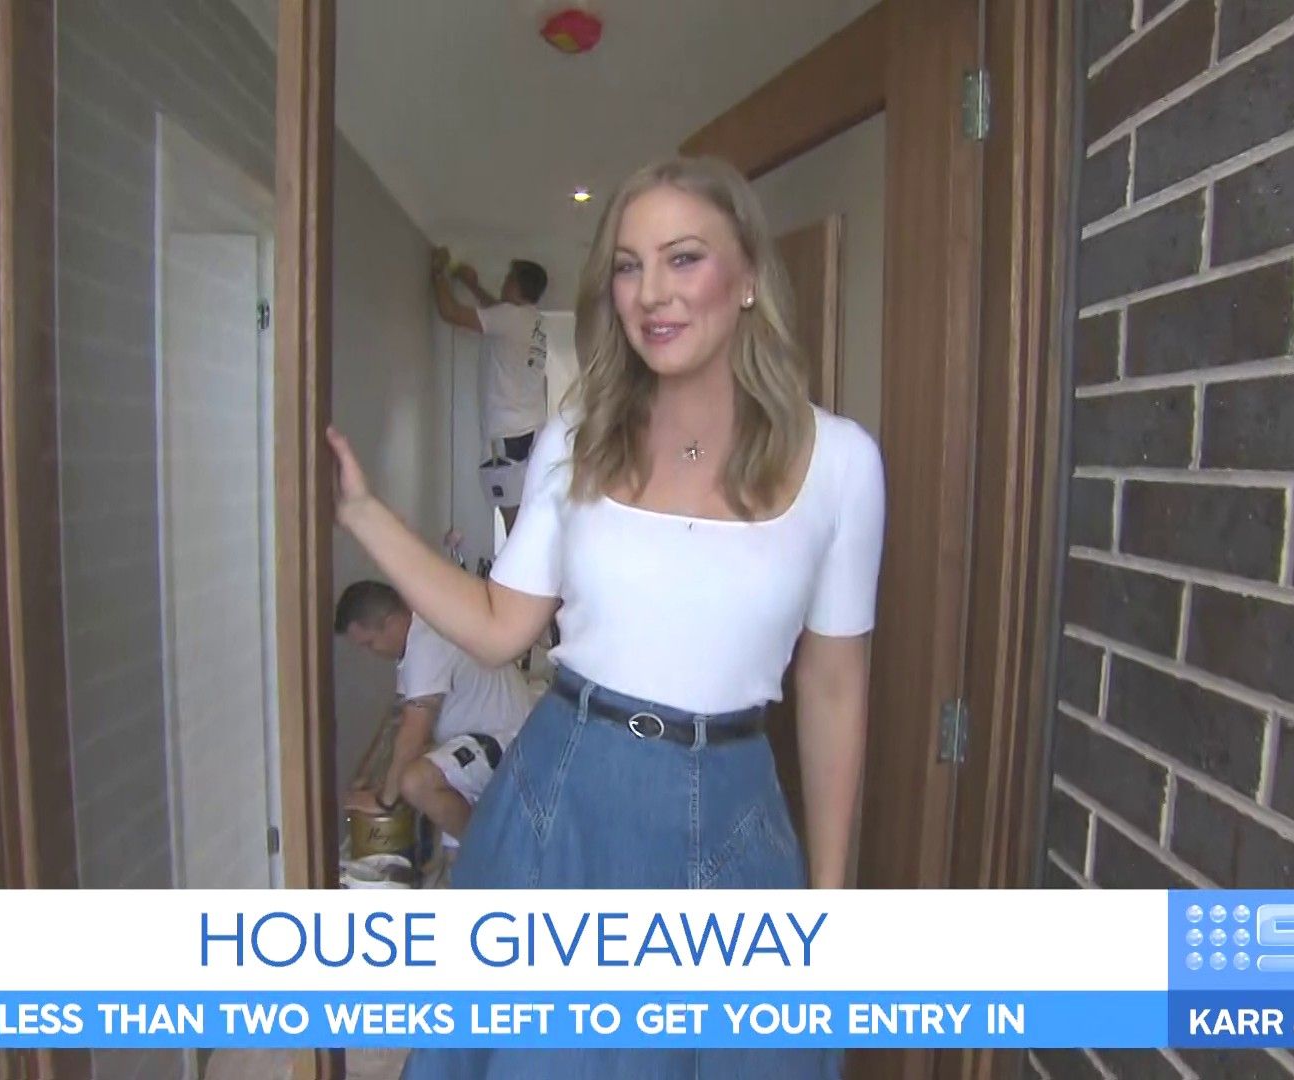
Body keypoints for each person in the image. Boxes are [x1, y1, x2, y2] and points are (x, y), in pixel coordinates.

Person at [328, 156, 884, 1080]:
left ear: (748, 275)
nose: (651, 292)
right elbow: (500, 625)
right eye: (629, 265)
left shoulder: (844, 464)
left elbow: (833, 684)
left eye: (683, 258)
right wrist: (362, 514)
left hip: (734, 810)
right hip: (567, 796)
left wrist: (828, 901)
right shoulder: (575, 440)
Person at [335, 580, 531, 844]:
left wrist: (384, 802)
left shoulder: (427, 642)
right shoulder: (418, 638)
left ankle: (491, 854)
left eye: (370, 643)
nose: (372, 652)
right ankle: (476, 854)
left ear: (391, 623)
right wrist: (364, 779)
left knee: (416, 782)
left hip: (507, 743)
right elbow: (396, 720)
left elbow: (413, 735)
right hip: (478, 744)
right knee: (450, 855)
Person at [431, 249, 550, 536]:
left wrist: (438, 271)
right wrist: (473, 286)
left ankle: (517, 567)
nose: (504, 282)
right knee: (522, 517)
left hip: (509, 435)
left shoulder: (510, 317)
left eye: (508, 278)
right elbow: (497, 312)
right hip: (528, 430)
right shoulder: (533, 320)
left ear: (517, 286)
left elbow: (450, 312)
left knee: (514, 524)